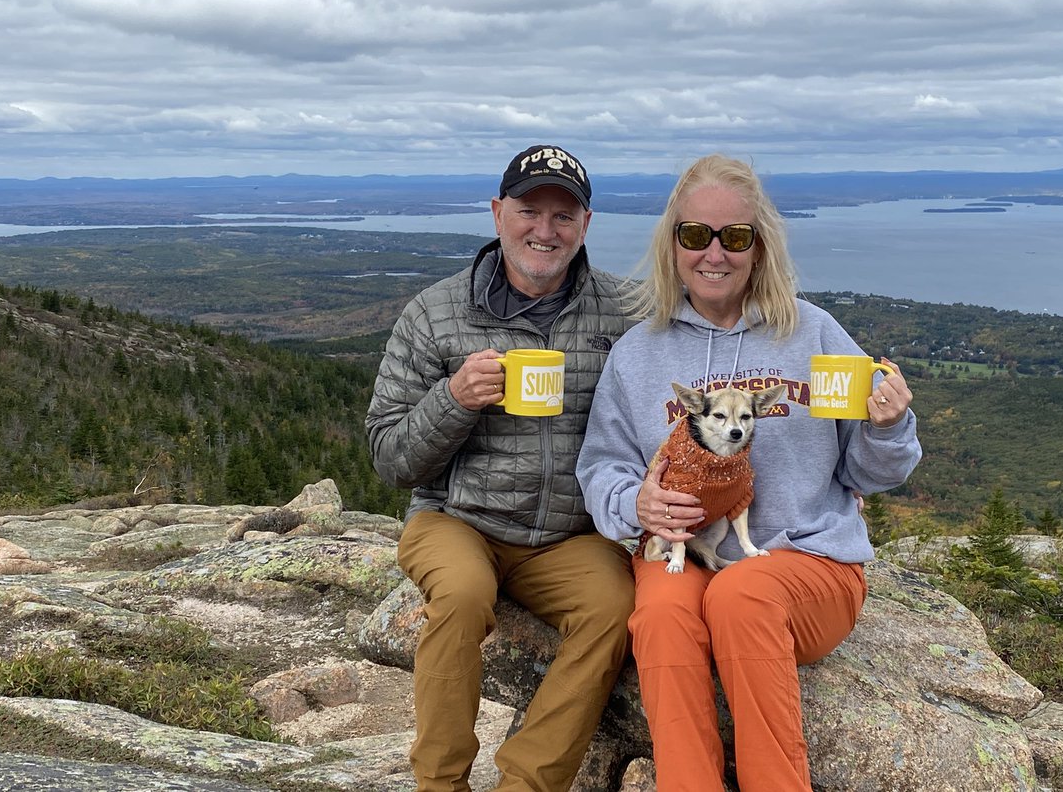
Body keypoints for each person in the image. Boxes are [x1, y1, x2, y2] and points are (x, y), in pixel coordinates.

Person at [576, 154, 922, 792]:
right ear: (672, 244)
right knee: (660, 617)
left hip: (806, 562)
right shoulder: (638, 352)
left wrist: (886, 425)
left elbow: (873, 473)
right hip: (683, 551)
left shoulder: (813, 333)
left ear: (759, 246)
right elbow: (602, 465)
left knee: (741, 595)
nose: (714, 253)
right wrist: (636, 505)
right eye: (693, 235)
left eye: (734, 237)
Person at [366, 144, 636, 792]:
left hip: (570, 535)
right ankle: (440, 783)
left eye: (562, 216)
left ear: (586, 225)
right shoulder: (435, 313)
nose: (544, 230)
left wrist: (819, 467)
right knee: (459, 597)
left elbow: (696, 387)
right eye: (528, 211)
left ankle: (525, 785)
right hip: (458, 520)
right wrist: (454, 399)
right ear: (497, 213)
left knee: (614, 609)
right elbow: (388, 455)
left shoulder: (627, 311)